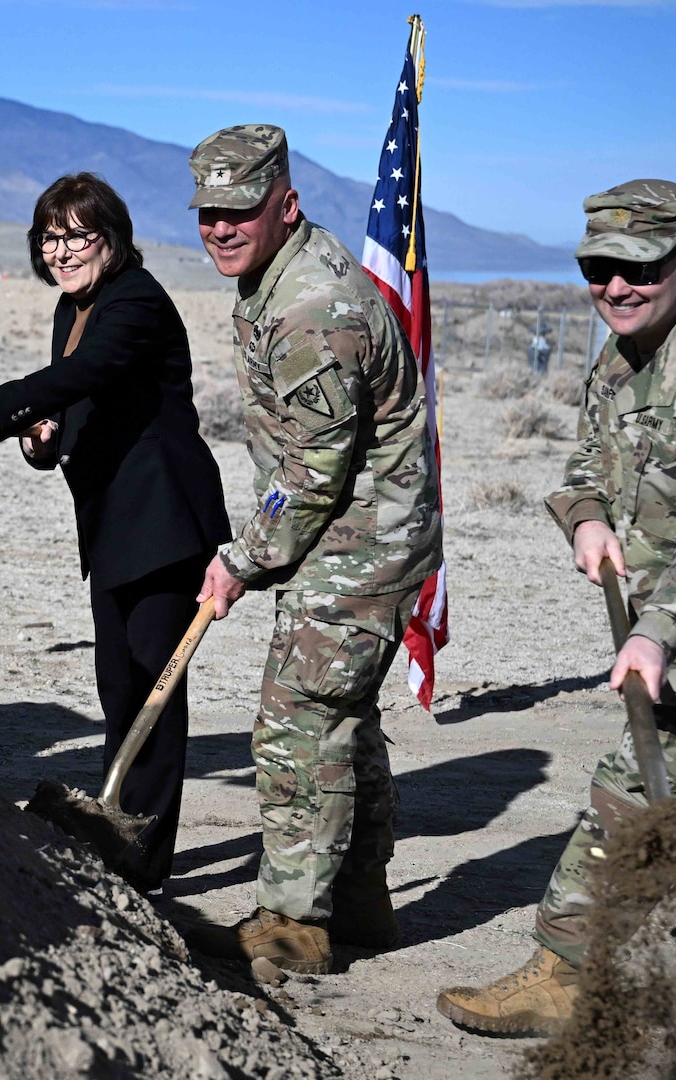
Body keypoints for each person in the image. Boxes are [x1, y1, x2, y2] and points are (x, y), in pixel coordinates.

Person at [437, 181, 676, 1056]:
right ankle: (564, 975)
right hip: (672, 663)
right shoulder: (622, 356)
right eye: (597, 268)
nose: (615, 286)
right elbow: (587, 459)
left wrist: (652, 628)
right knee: (618, 815)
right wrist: (585, 516)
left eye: (637, 269)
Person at [184, 125, 442, 972]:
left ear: (284, 205)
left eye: (239, 212)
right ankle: (359, 902)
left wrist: (241, 558)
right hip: (350, 526)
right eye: (207, 213)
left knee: (297, 719)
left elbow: (313, 472)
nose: (220, 228)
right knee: (341, 715)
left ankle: (293, 925)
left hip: (362, 536)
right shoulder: (276, 275)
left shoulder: (311, 310)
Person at [0, 173, 231, 892]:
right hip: (112, 524)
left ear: (112, 236)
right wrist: (39, 437)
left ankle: (143, 859)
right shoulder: (71, 307)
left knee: (152, 692)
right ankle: (120, 831)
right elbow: (75, 398)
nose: (63, 250)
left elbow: (90, 369)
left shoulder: (134, 300)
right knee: (119, 685)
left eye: (78, 234)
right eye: (50, 236)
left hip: (163, 521)